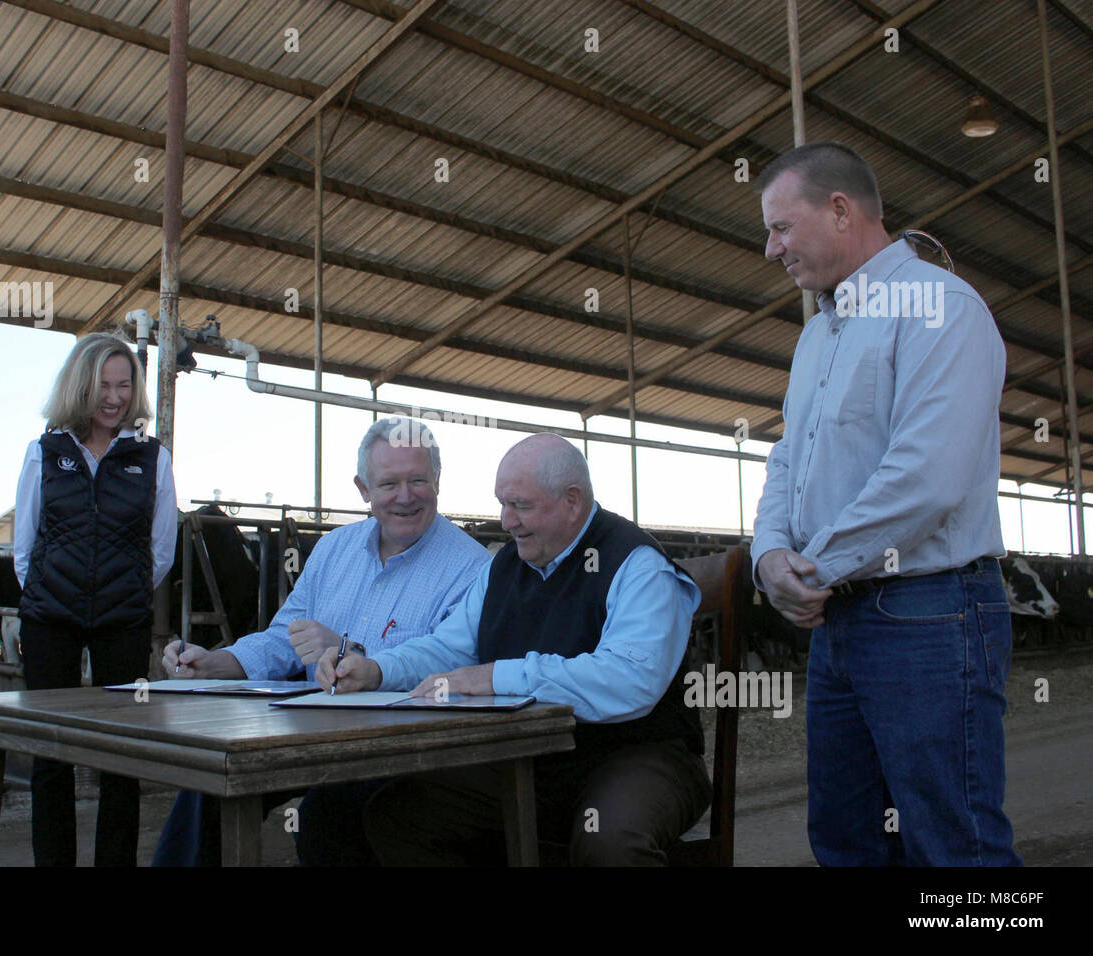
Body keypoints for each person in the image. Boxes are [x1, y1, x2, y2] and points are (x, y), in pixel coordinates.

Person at [750, 142, 1020, 866]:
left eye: (781, 226)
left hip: (928, 609)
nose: (770, 247)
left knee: (952, 843)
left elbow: (927, 476)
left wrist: (810, 568)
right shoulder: (817, 335)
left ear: (840, 209)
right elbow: (788, 459)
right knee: (848, 838)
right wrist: (768, 554)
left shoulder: (941, 308)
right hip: (840, 616)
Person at [318, 433, 710, 866]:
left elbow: (630, 680)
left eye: (520, 505)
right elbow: (450, 648)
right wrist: (375, 669)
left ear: (572, 501)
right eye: (502, 503)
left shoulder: (637, 564)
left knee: (609, 842)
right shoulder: (504, 567)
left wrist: (495, 676)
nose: (506, 521)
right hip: (533, 757)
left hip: (639, 755)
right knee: (399, 813)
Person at [156, 416, 490, 866]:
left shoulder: (470, 566)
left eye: (418, 481)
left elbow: (452, 661)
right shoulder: (334, 549)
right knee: (214, 776)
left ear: (438, 481)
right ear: (362, 488)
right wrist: (216, 663)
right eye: (389, 483)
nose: (406, 496)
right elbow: (284, 636)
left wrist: (357, 654)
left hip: (406, 744)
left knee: (327, 813)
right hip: (312, 729)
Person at [14, 333, 177, 866]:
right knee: (50, 753)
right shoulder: (44, 452)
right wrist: (48, 595)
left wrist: (123, 592)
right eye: (103, 385)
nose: (114, 397)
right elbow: (25, 545)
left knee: (121, 754)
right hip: (49, 621)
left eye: (124, 385)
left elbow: (160, 549)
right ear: (80, 386)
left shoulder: (152, 458)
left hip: (122, 622)